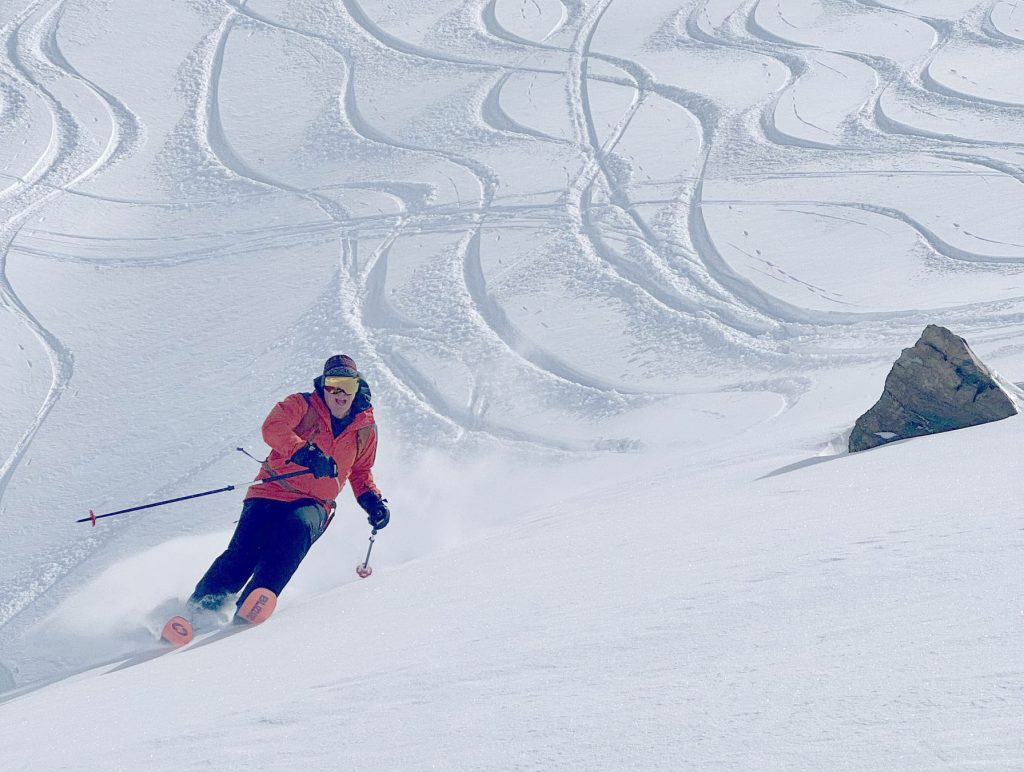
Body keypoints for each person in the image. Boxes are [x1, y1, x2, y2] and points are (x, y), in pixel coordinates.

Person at [187, 354, 390, 620]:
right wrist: (304, 452)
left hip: (314, 503)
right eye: (333, 386)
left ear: (357, 387)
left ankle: (255, 601)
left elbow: (361, 471)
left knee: (297, 528)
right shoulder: (302, 405)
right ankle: (197, 611)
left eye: (348, 386)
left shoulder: (364, 428)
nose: (340, 394)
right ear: (323, 385)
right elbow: (273, 428)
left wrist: (372, 500)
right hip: (271, 491)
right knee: (244, 553)